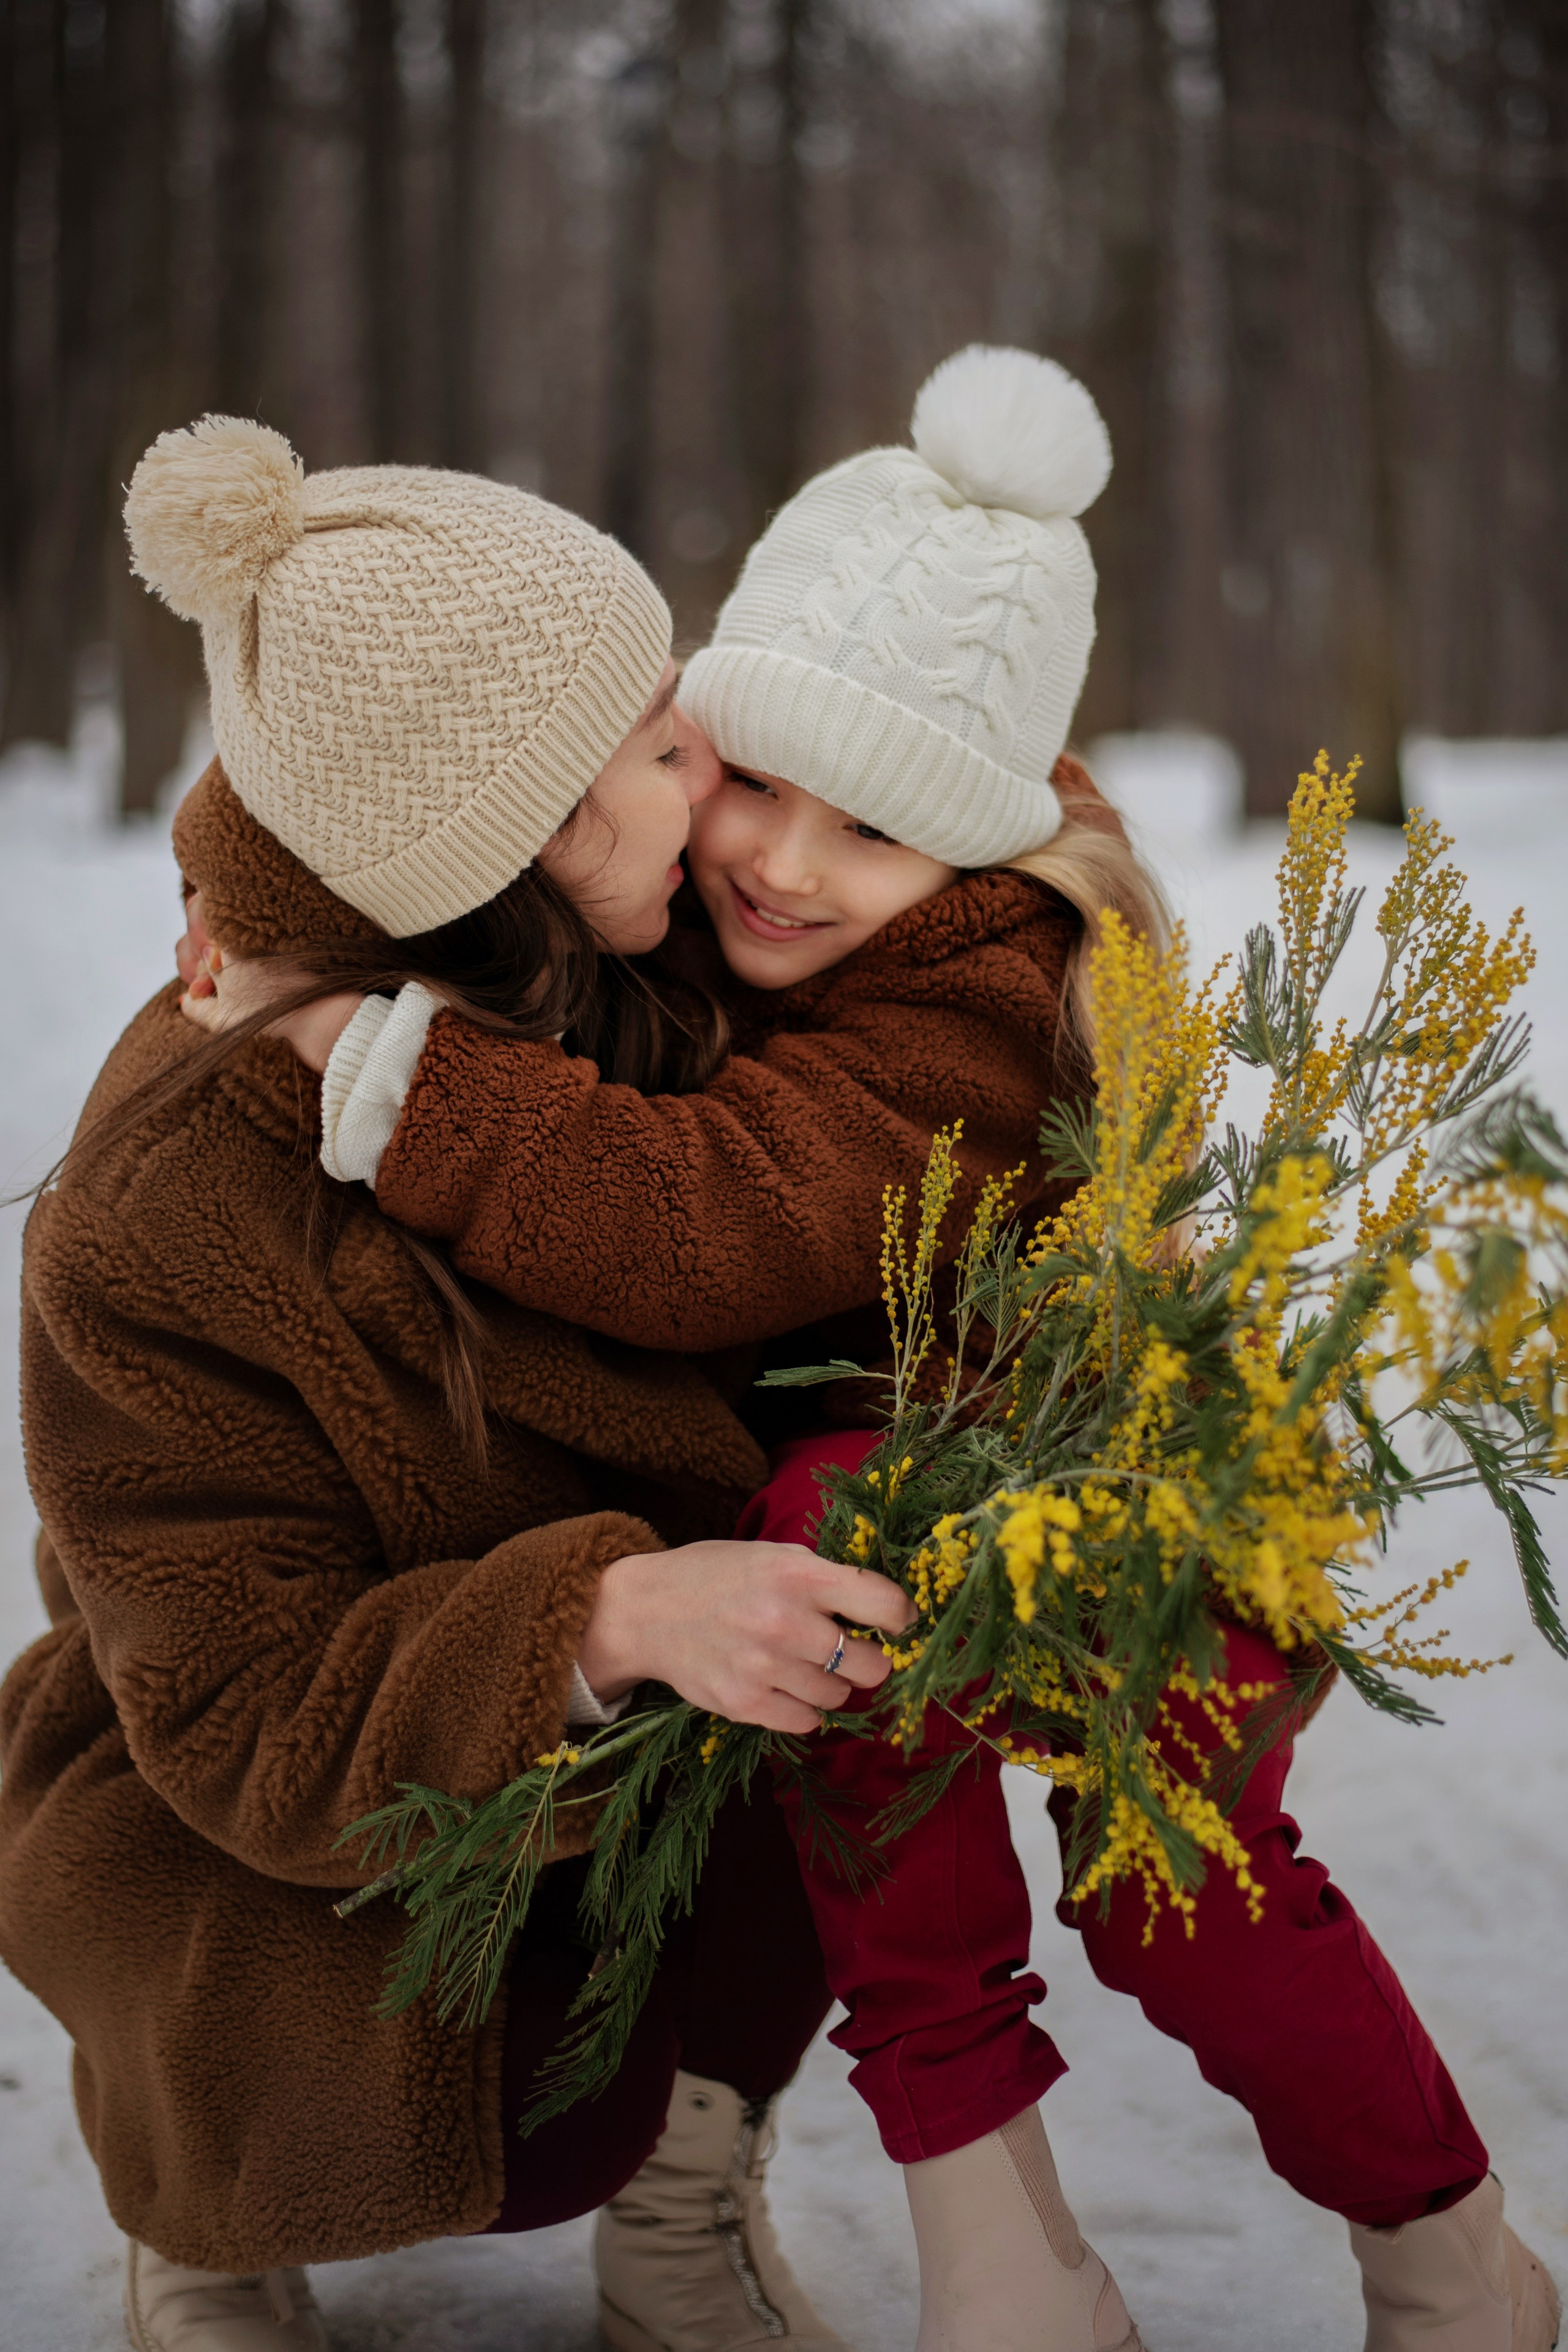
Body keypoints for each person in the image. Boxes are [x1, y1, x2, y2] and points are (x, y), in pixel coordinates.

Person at [216, 349, 1561, 2352]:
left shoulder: (974, 1016)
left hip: (1121, 1524)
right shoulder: (735, 902)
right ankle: (1004, 2251)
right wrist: (258, 888)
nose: (781, 861)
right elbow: (485, 830)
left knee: (1184, 1900)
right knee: (873, 1772)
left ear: (982, 850)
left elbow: (700, 1221)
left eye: (876, 829)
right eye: (753, 777)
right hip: (900, 1527)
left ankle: (1447, 2249)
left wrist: (379, 1065)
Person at [0, 420, 923, 2352]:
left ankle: (689, 2211)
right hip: (256, 1803)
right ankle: (211, 2213)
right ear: (511, 848)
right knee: (510, 2098)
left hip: (597, 1737)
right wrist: (592, 1621)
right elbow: (242, 1707)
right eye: (661, 750)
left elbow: (951, 942)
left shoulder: (619, 960)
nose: (722, 777)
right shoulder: (168, 1213)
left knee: (842, 1674)